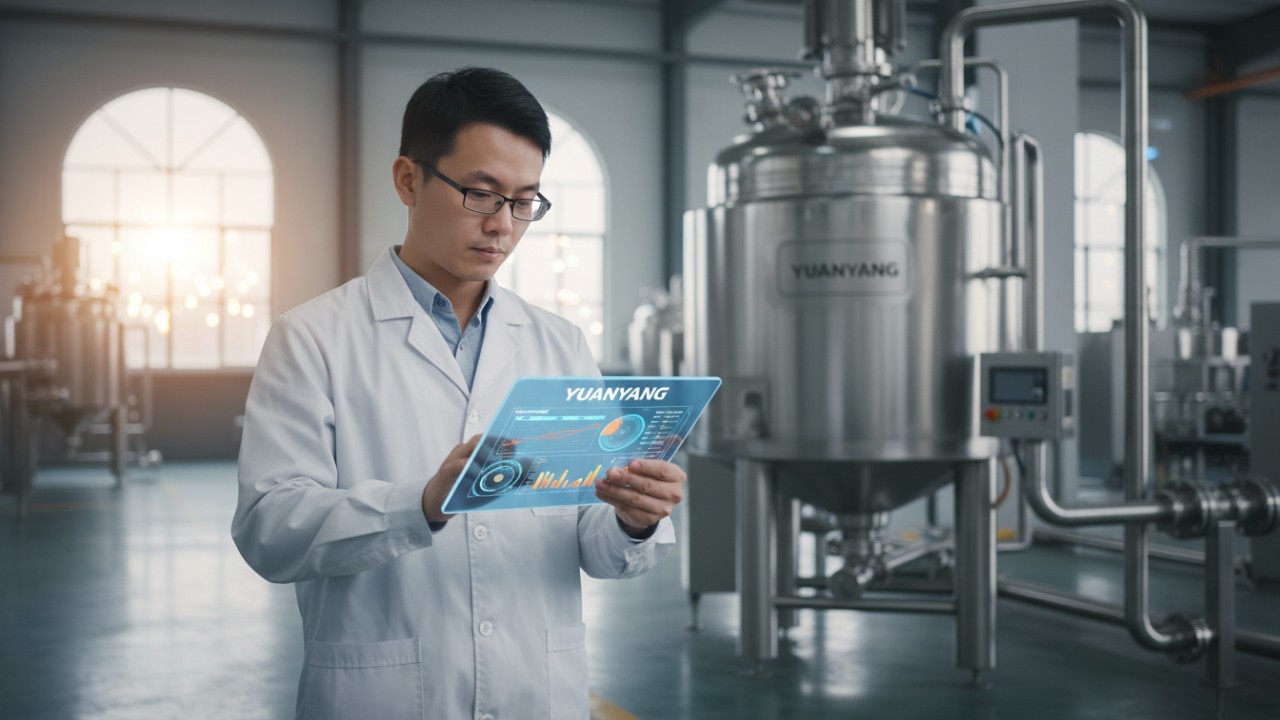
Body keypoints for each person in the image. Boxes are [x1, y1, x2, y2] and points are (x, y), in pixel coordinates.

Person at [232, 67, 684, 720]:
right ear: (408, 180)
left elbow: (596, 545)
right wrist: (421, 504)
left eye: (524, 201)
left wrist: (632, 517)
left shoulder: (558, 343)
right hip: (383, 696)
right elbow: (270, 531)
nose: (503, 225)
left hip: (538, 694)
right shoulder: (313, 339)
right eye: (480, 193)